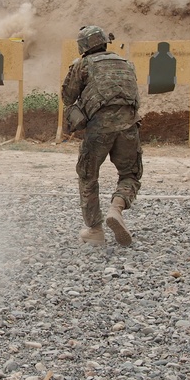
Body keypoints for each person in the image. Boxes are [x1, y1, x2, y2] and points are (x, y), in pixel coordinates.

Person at [62, 25, 142, 246]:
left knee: (88, 175)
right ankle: (116, 209)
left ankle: (95, 230)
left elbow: (67, 95)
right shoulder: (127, 64)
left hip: (99, 126)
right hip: (130, 125)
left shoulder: (83, 65)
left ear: (84, 46)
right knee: (130, 174)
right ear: (105, 42)